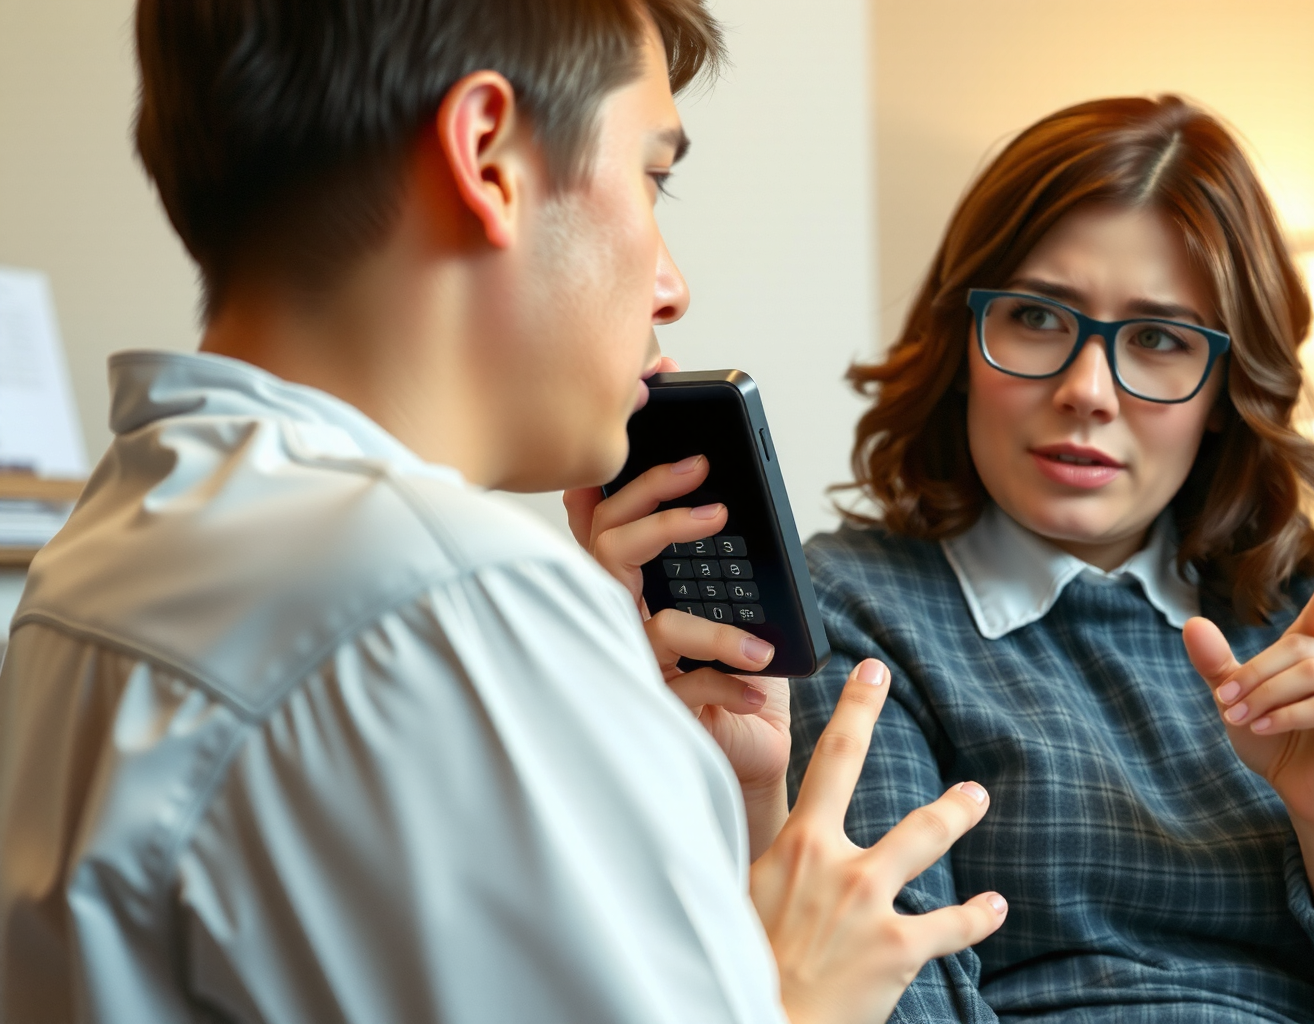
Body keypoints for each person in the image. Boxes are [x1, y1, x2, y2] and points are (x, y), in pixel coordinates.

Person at [0, 2, 1009, 1021]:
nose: (672, 286)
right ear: (487, 158)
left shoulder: (99, 549)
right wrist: (798, 996)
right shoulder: (456, 601)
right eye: (652, 177)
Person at [788, 95, 1314, 1023]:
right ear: (961, 339)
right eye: (1035, 317)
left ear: (1225, 388)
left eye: (1158, 340)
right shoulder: (849, 605)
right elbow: (894, 994)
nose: (1086, 391)